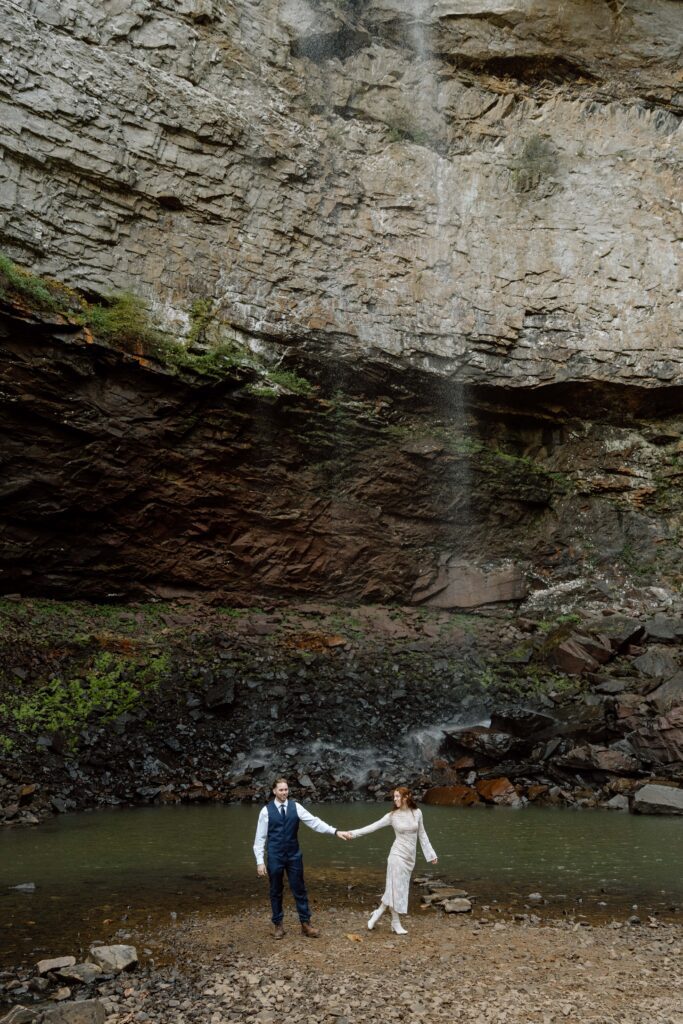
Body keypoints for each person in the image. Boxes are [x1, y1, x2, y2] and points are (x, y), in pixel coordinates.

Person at [253, 777, 348, 939]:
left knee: (300, 889)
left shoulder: (295, 807)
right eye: (281, 790)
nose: (284, 792)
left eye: (286, 789)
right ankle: (278, 925)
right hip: (275, 856)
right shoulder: (265, 811)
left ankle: (305, 924)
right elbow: (259, 838)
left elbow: (315, 822)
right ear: (274, 791)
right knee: (275, 890)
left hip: (294, 855)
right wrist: (260, 861)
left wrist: (335, 831)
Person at [346, 786, 437, 935]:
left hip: (410, 857)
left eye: (397, 796)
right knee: (395, 889)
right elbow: (372, 827)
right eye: (394, 797)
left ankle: (377, 913)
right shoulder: (392, 816)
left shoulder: (417, 813)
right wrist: (353, 834)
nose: (394, 799)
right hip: (397, 855)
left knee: (397, 888)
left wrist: (431, 855)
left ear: (406, 797)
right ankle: (395, 923)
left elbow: (422, 834)